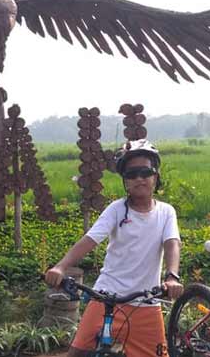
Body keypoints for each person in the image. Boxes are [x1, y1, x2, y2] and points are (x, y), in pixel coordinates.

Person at [45, 139, 184, 357]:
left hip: (146, 303)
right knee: (77, 353)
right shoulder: (117, 210)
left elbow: (172, 243)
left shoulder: (166, 212)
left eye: (145, 172)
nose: (139, 178)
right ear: (125, 182)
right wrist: (61, 267)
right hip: (106, 298)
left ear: (155, 177)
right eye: (131, 174)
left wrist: (172, 276)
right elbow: (90, 239)